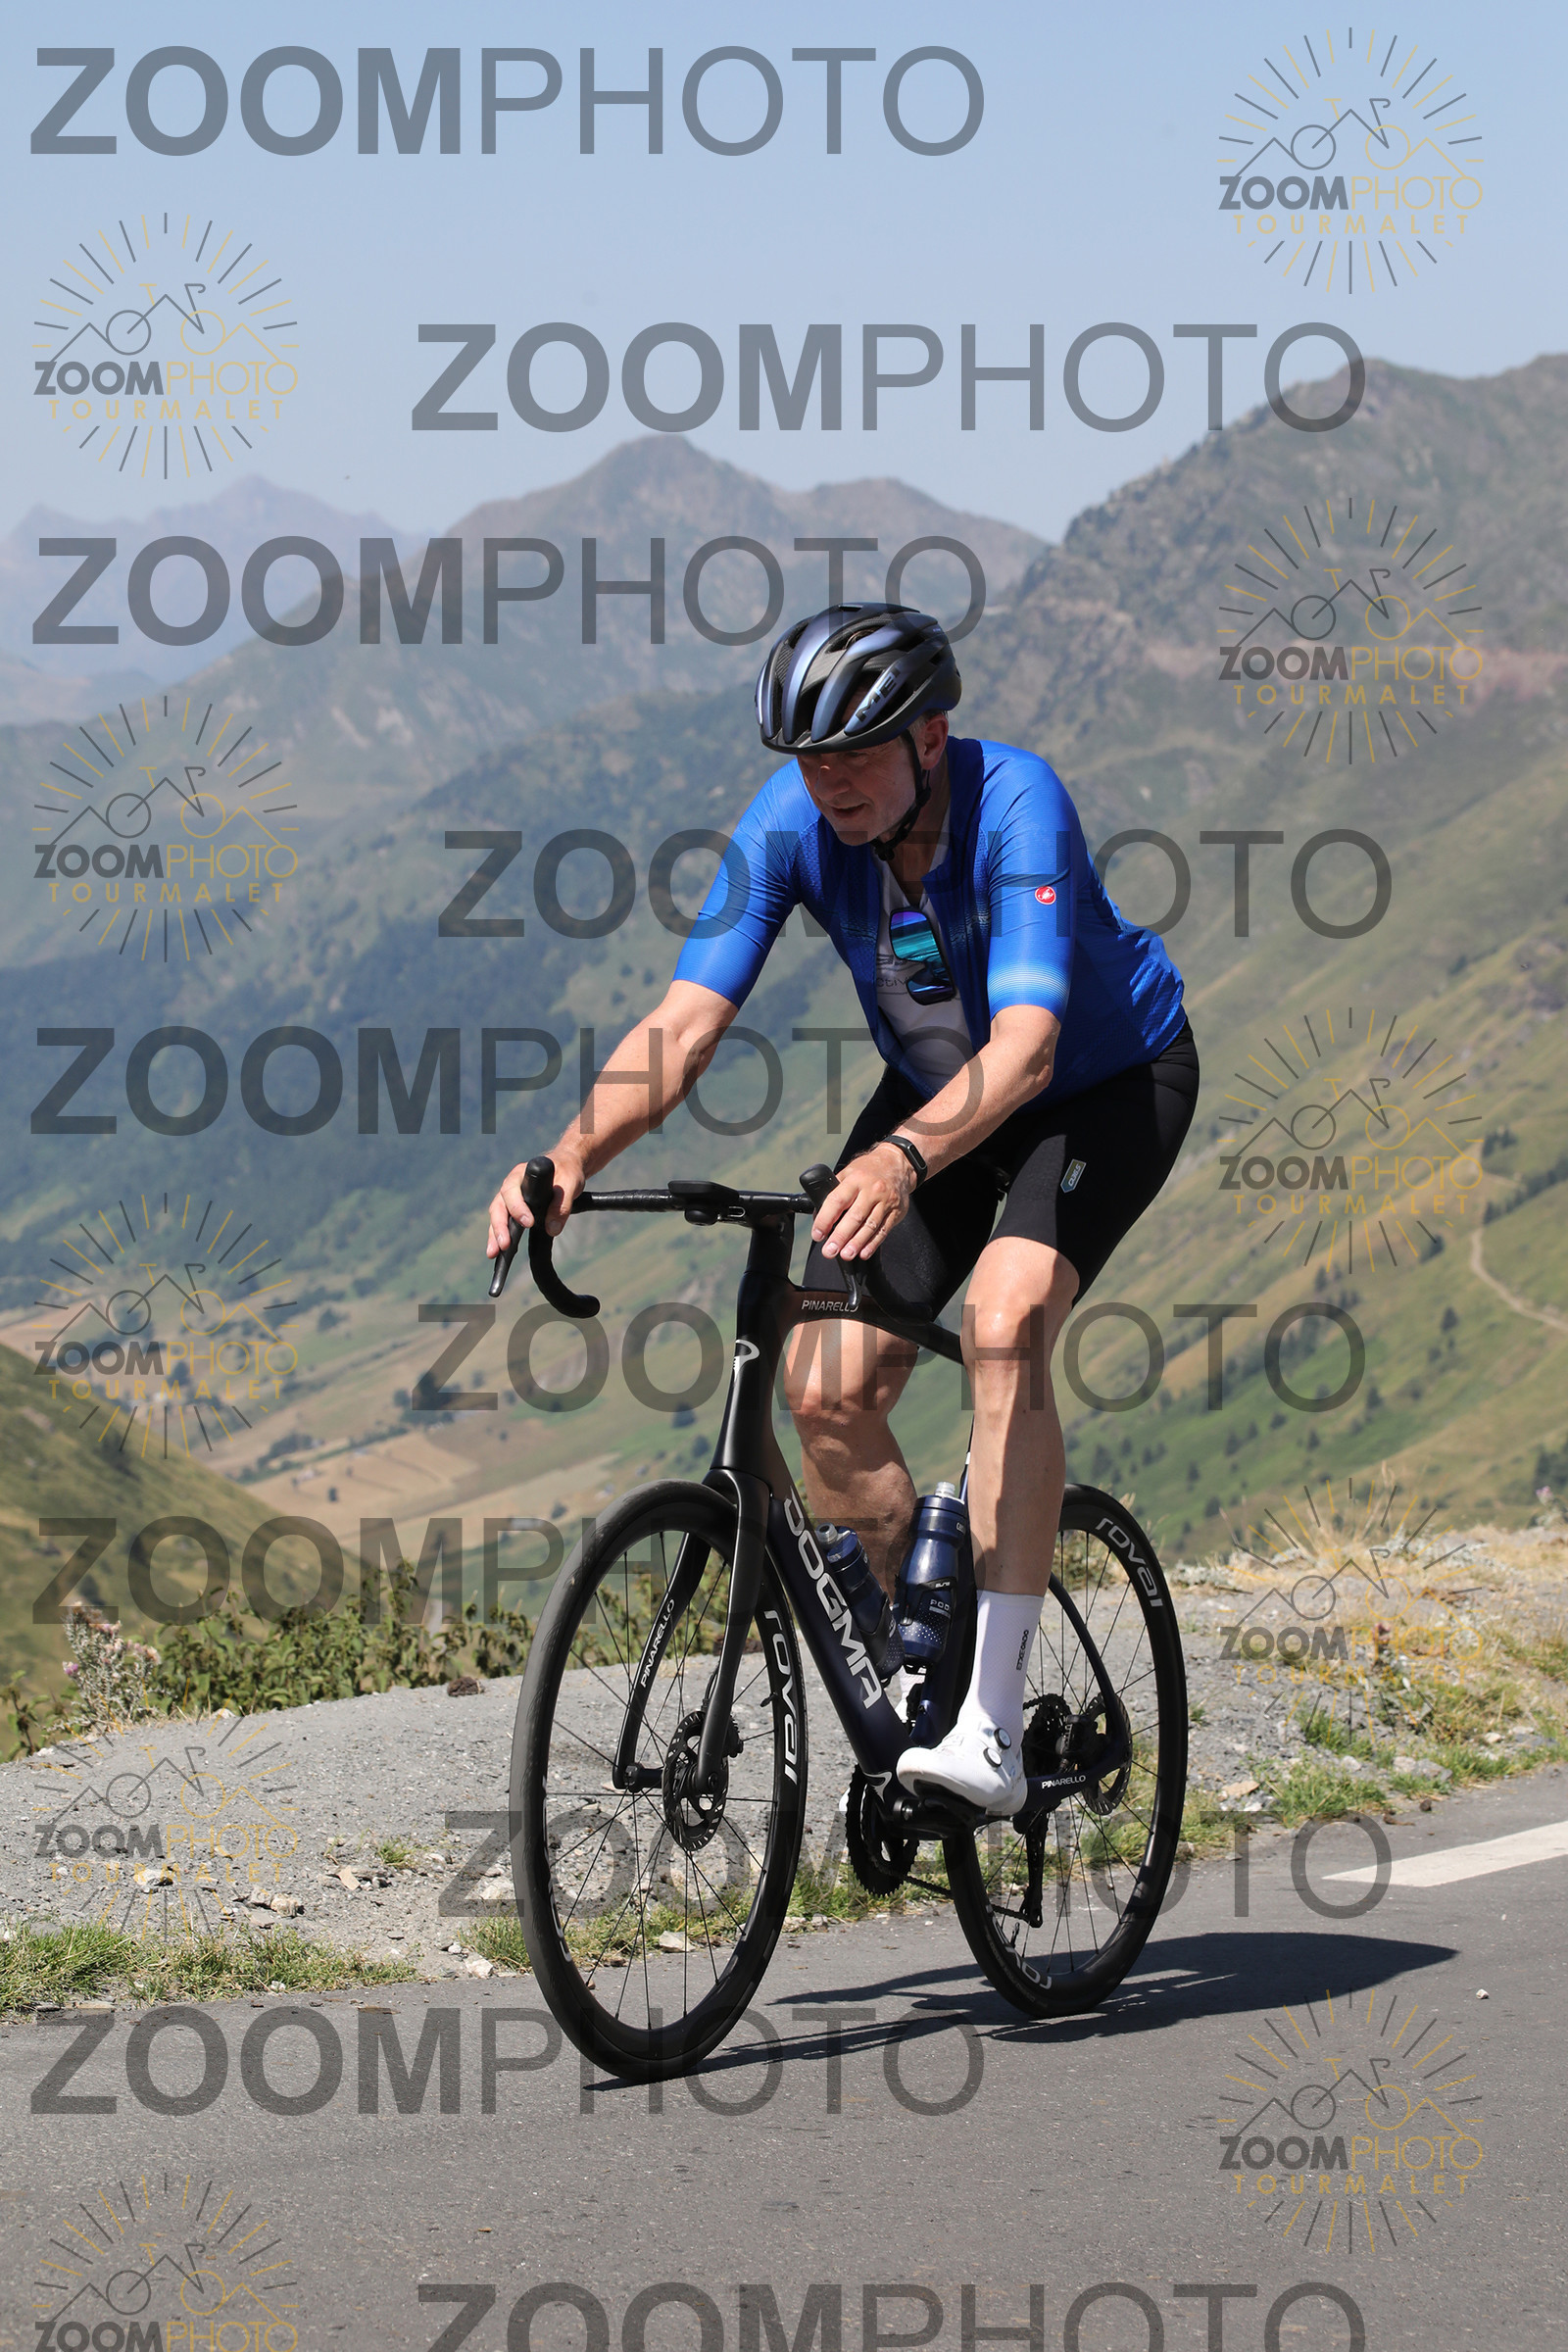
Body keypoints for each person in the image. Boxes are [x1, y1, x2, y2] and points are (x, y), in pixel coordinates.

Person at [487, 604, 1199, 1816]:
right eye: (809, 761)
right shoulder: (791, 826)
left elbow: (1026, 1049)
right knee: (822, 1392)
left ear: (929, 738)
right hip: (935, 1094)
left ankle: (990, 1724)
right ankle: (919, 1680)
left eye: (856, 754)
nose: (829, 785)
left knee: (1005, 1322)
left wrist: (904, 1160)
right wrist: (566, 1156)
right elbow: (684, 1024)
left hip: (1099, 1086)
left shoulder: (1017, 803)